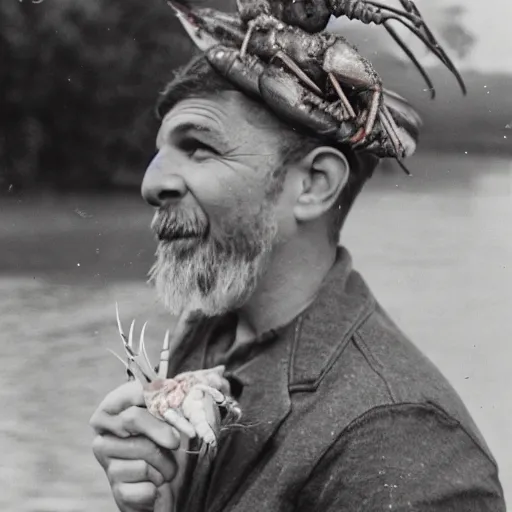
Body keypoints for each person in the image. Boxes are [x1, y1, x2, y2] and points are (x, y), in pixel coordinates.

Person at [90, 53, 506, 512]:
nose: (151, 183)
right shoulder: (209, 328)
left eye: (199, 148)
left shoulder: (399, 435)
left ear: (314, 184)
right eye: (161, 151)